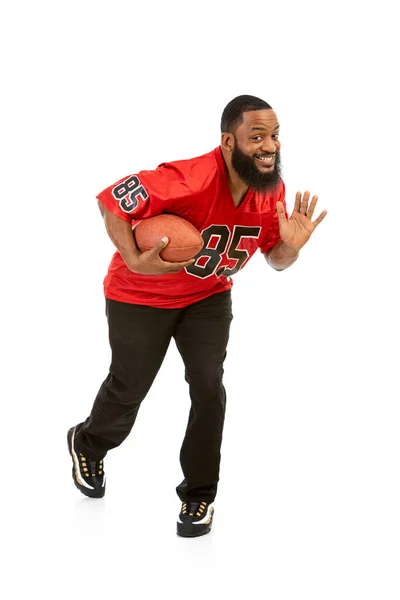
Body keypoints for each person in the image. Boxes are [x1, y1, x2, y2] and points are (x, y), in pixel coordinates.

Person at [67, 95, 327, 538]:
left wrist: (291, 248)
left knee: (208, 388)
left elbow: (276, 261)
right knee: (130, 387)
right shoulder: (186, 179)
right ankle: (87, 441)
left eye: (276, 135)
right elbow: (111, 201)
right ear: (229, 141)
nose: (270, 147)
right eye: (257, 136)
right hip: (140, 294)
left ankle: (199, 494)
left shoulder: (272, 191)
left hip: (207, 296)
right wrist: (132, 256)